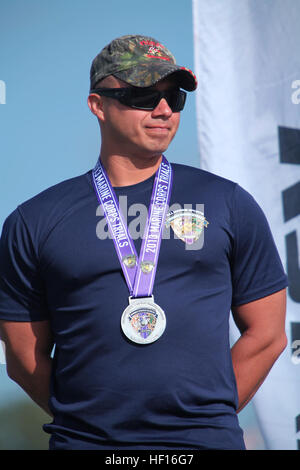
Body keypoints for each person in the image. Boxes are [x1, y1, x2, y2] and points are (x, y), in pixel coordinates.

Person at [0, 34, 288, 451]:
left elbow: (268, 333)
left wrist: (206, 416)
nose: (164, 109)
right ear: (98, 105)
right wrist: (93, 423)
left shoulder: (228, 202)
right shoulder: (35, 220)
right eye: (142, 96)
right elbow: (24, 359)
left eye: (174, 96)